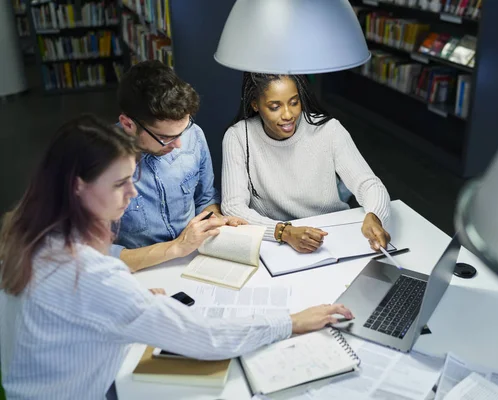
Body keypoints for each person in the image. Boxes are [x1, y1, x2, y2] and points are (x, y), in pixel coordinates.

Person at [0, 115, 353, 400]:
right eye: (120, 183)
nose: (132, 192)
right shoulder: (90, 275)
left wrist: (128, 304)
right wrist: (291, 322)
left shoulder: (29, 231)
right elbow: (203, 337)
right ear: (78, 185)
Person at [221, 73, 392, 254]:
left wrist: (375, 216)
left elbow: (369, 184)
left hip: (332, 236)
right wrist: (284, 232)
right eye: (274, 106)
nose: (288, 114)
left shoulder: (329, 129)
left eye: (294, 102)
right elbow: (233, 207)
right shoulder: (238, 136)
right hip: (274, 245)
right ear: (255, 104)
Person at [114, 61, 246, 272]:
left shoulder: (194, 135)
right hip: (140, 273)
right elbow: (97, 256)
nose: (179, 145)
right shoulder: (97, 166)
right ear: (128, 124)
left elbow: (205, 198)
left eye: (183, 130)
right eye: (166, 137)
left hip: (195, 260)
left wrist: (215, 221)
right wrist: (177, 247)